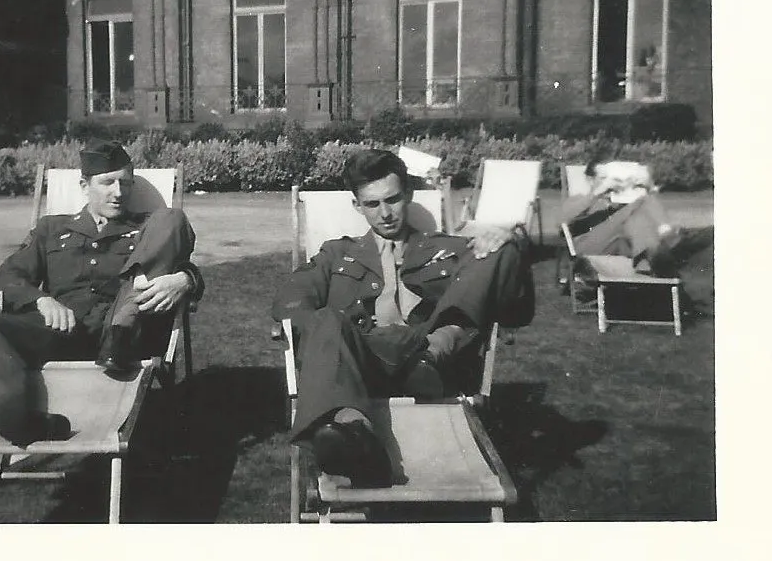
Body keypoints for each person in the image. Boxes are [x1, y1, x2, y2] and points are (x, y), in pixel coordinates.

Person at [271, 149, 533, 488]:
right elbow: (290, 299)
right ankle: (354, 438)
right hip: (360, 361)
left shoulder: (450, 248)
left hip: (429, 357)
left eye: (393, 200)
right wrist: (319, 337)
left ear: (408, 193)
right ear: (357, 206)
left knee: (501, 251)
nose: (385, 214)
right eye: (372, 204)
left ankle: (437, 350)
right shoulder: (336, 253)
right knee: (325, 319)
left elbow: (516, 306)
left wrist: (511, 240)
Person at [0, 140, 204, 454]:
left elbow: (179, 259)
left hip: (121, 331)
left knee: (172, 217)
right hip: (61, 332)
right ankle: (18, 415)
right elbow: (7, 277)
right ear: (85, 185)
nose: (119, 192)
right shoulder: (51, 229)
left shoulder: (147, 228)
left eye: (125, 183)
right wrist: (39, 300)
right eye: (108, 183)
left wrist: (185, 279)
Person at [561, 159, 679, 276]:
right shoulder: (580, 199)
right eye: (604, 178)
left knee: (640, 215)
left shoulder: (624, 201)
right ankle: (657, 252)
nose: (612, 184)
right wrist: (596, 194)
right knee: (642, 205)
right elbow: (561, 221)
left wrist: (644, 187)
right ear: (590, 180)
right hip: (591, 246)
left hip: (621, 245)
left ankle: (648, 260)